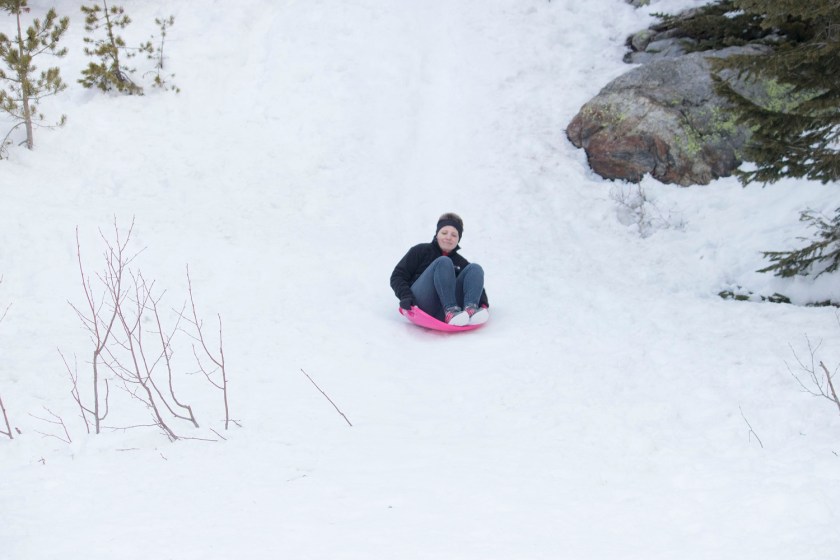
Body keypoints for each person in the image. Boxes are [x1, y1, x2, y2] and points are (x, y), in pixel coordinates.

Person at [390, 212, 489, 326]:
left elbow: (476, 285)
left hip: (447, 311)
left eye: (454, 235)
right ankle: (450, 310)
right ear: (437, 234)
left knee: (475, 268)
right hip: (422, 303)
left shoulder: (461, 262)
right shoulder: (420, 251)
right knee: (443, 261)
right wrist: (406, 296)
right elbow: (398, 276)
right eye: (444, 233)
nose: (448, 237)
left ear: (458, 239)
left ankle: (471, 310)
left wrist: (483, 304)